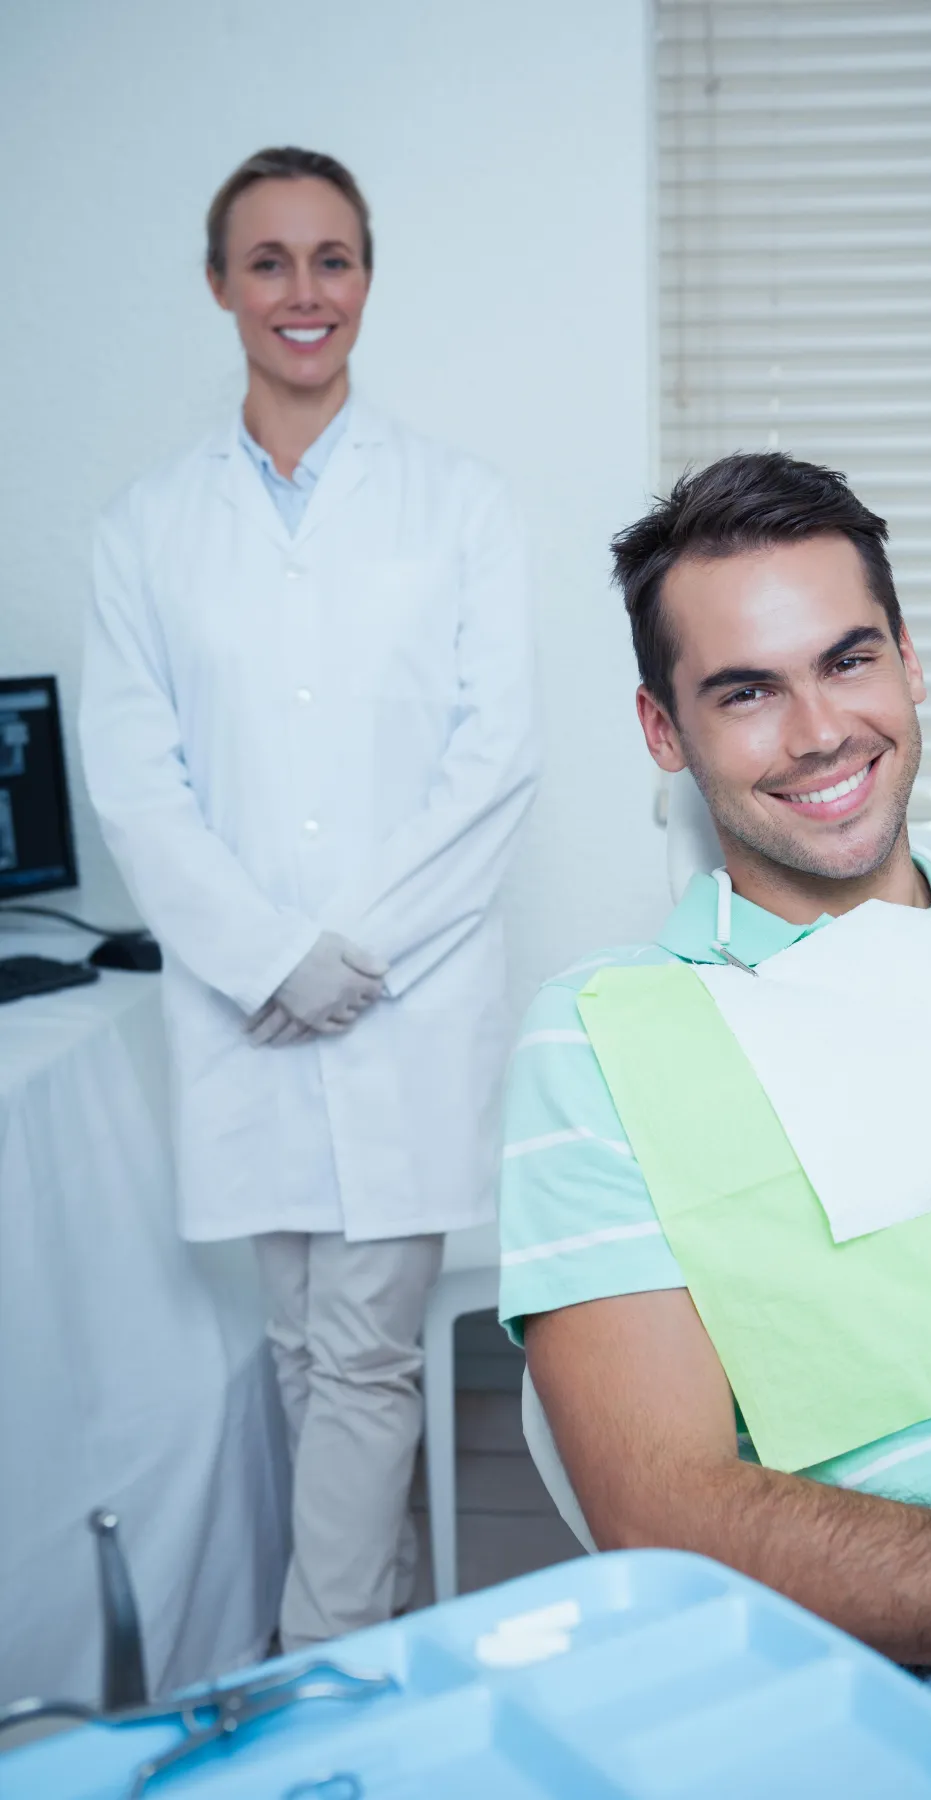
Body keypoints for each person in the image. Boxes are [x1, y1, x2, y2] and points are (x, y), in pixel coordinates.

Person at [499, 452, 931, 1798]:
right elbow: (664, 1514)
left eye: (847, 661)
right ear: (663, 731)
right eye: (747, 691)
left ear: (910, 665)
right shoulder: (604, 1039)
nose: (818, 732)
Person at [81, 146, 537, 1648]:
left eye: (331, 259)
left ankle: (316, 1677)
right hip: (247, 1012)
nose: (302, 292)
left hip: (404, 1007)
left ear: (367, 281)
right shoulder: (143, 531)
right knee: (302, 1349)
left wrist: (357, 953)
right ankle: (391, 1627)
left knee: (355, 1355)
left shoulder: (460, 504)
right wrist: (272, 957)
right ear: (220, 286)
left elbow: (496, 764)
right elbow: (137, 779)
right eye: (267, 261)